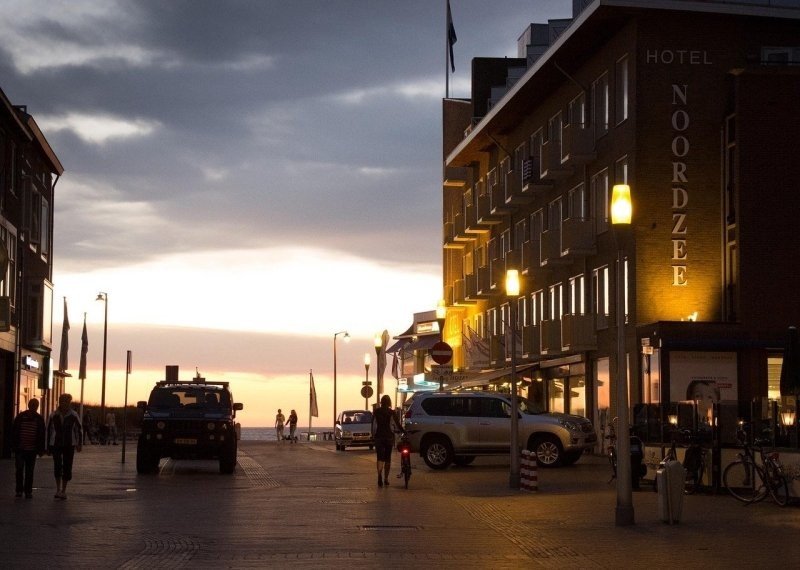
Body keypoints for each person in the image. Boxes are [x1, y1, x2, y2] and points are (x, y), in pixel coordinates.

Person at [46, 393, 83, 500]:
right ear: (60, 402)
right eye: (63, 401)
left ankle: (64, 490)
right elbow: (48, 430)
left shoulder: (73, 415)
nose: (65, 404)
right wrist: (47, 446)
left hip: (69, 444)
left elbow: (79, 429)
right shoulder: (54, 415)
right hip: (56, 444)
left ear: (69, 403)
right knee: (57, 465)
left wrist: (79, 444)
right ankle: (58, 489)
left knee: (67, 466)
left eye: (67, 402)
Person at [12, 398, 46, 498]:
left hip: (32, 450)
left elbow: (42, 435)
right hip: (20, 449)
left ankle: (28, 491)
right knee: (19, 469)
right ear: (29, 405)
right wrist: (15, 445)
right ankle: (19, 490)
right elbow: (14, 432)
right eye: (32, 405)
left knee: (29, 471)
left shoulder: (39, 419)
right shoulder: (20, 417)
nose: (34, 407)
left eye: (36, 405)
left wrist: (41, 449)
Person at [371, 395, 404, 487]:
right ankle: (386, 479)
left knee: (380, 458)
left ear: (381, 402)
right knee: (387, 458)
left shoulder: (376, 412)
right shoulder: (392, 412)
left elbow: (374, 426)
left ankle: (379, 477)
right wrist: (403, 431)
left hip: (378, 437)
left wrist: (373, 436)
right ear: (389, 402)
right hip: (389, 437)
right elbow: (397, 425)